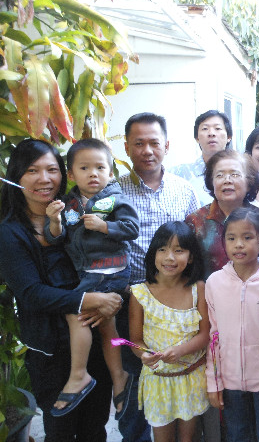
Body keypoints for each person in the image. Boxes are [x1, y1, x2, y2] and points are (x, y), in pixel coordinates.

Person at [0, 139, 123, 441]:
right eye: (32, 171)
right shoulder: (10, 234)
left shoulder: (75, 215)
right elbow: (31, 294)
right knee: (60, 432)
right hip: (50, 352)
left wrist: (113, 294)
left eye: (52, 170)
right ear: (16, 177)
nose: (44, 179)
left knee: (95, 428)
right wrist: (89, 300)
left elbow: (106, 256)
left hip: (92, 341)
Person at [118, 112, 201, 442]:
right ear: (127, 147)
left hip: (178, 300)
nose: (147, 150)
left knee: (183, 377)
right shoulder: (113, 191)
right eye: (138, 143)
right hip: (132, 299)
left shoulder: (185, 190)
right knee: (135, 378)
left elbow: (193, 243)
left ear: (166, 146)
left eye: (154, 142)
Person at [45, 138, 138, 418]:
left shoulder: (115, 199)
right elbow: (58, 238)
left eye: (100, 167)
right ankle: (119, 377)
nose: (93, 174)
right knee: (106, 324)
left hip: (111, 269)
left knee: (76, 312)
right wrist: (54, 221)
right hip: (89, 271)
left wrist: (104, 226)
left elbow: (131, 228)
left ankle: (79, 375)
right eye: (84, 168)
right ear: (71, 174)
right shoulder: (69, 203)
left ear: (110, 172)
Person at [205, 207, 259, 442]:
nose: (239, 245)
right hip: (230, 382)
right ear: (224, 242)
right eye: (231, 238)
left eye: (247, 237)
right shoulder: (215, 283)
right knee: (236, 435)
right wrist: (214, 381)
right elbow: (213, 338)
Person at [129, 222, 210, 442]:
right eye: (162, 249)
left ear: (190, 257)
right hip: (157, 381)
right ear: (153, 254)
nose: (169, 257)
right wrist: (144, 354)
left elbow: (205, 335)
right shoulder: (140, 293)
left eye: (178, 250)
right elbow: (135, 340)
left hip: (190, 378)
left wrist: (181, 350)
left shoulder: (198, 289)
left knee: (187, 439)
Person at [186, 149, 259, 279]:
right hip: (209, 291)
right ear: (211, 182)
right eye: (220, 175)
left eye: (234, 174)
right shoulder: (195, 221)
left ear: (249, 182)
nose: (227, 180)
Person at [170, 110, 232, 208]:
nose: (211, 133)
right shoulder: (178, 174)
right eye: (205, 128)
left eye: (217, 128)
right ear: (197, 138)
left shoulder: (242, 172)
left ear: (229, 137)